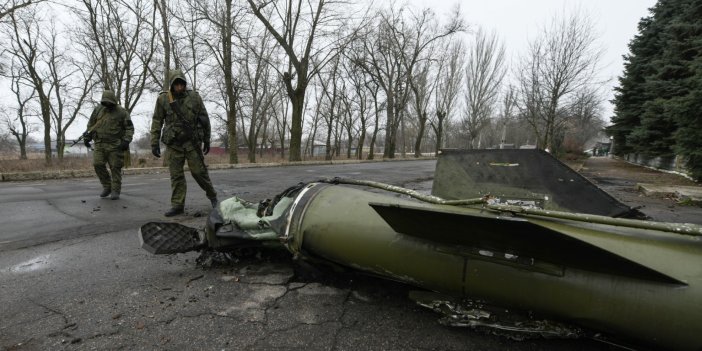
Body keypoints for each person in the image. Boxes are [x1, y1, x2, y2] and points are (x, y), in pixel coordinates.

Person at [150, 69, 218, 217]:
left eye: (182, 84)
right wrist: (154, 142)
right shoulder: (163, 99)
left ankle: (213, 196)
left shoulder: (194, 97)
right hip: (173, 144)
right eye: (177, 84)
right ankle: (177, 205)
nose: (180, 87)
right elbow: (157, 120)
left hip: (191, 142)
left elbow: (204, 119)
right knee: (176, 176)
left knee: (199, 172)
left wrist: (206, 139)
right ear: (172, 85)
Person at [83, 90, 133, 200]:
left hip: (115, 144)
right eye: (105, 102)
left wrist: (126, 141)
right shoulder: (98, 110)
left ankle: (115, 190)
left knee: (115, 167)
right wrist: (87, 136)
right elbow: (91, 124)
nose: (108, 104)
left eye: (109, 102)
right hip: (100, 143)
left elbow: (129, 128)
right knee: (97, 164)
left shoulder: (122, 112)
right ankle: (107, 186)